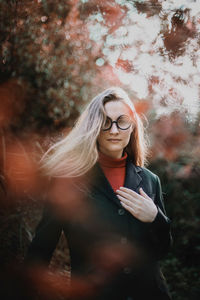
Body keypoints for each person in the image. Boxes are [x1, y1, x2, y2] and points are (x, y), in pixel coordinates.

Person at [25, 87, 173, 300]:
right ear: (94, 127)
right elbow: (41, 249)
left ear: (132, 127)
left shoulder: (150, 180)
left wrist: (156, 218)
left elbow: (160, 251)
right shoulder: (69, 181)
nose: (114, 130)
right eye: (105, 121)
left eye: (122, 121)